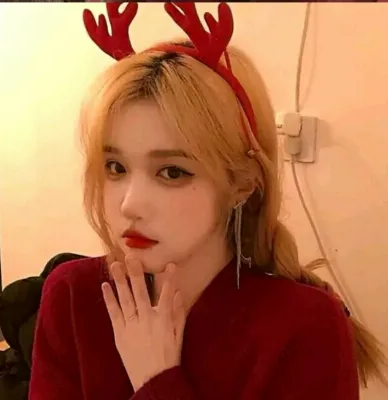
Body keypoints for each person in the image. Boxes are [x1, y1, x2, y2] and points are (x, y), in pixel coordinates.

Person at [29, 3, 387, 400]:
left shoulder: (306, 325)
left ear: (242, 184)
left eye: (172, 172)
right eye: (115, 167)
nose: (130, 204)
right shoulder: (75, 297)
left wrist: (157, 380)